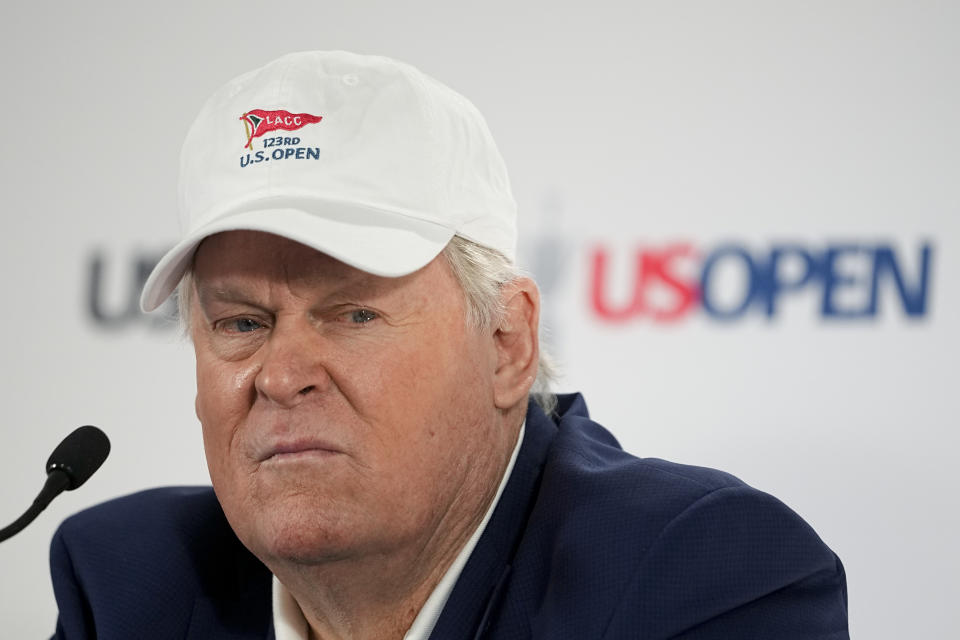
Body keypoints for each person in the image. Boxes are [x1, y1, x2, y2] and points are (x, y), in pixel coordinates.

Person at [49, 51, 849, 639]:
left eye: (354, 314)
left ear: (507, 342)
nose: (282, 375)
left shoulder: (699, 577)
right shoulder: (126, 584)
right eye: (241, 324)